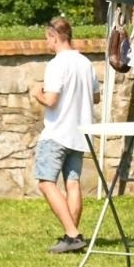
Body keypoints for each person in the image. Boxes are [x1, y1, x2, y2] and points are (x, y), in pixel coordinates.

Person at [30, 16, 98, 254]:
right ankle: (73, 238)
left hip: (57, 132)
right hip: (80, 133)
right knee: (72, 182)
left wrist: (37, 92)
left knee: (46, 182)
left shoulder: (57, 64)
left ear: (54, 36)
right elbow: (95, 97)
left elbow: (51, 99)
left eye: (46, 39)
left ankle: (72, 233)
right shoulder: (85, 63)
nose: (46, 44)